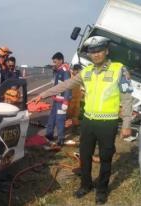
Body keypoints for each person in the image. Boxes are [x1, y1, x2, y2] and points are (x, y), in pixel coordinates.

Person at [31, 36, 133, 204]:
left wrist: (127, 124)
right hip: (88, 122)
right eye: (92, 52)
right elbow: (66, 85)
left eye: (99, 51)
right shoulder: (87, 72)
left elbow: (127, 99)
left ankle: (101, 190)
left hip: (108, 123)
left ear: (106, 51)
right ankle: (86, 185)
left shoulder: (119, 70)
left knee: (106, 158)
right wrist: (44, 94)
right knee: (85, 156)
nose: (96, 55)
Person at [45, 52, 71, 146]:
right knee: (52, 118)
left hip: (62, 101)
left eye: (55, 62)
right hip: (56, 100)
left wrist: (66, 101)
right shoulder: (58, 70)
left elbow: (68, 86)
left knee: (60, 120)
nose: (54, 64)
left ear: (61, 60)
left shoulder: (65, 71)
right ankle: (49, 135)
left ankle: (61, 139)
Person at [66, 64, 83, 130]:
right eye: (78, 71)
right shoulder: (69, 76)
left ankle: (76, 125)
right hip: (70, 99)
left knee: (76, 113)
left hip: (77, 99)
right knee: (69, 113)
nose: (79, 73)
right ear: (74, 70)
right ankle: (66, 127)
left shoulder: (79, 77)